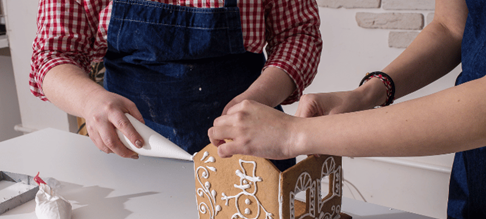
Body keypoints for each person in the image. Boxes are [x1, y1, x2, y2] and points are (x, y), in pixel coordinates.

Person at [208, 0, 486, 219]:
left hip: (478, 124)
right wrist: (366, 94)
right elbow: (451, 27)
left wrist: (292, 134)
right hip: (478, 160)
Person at [30, 0, 322, 171]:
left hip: (250, 150)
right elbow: (52, 54)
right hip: (132, 154)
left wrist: (259, 97)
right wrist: (90, 100)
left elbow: (299, 33)